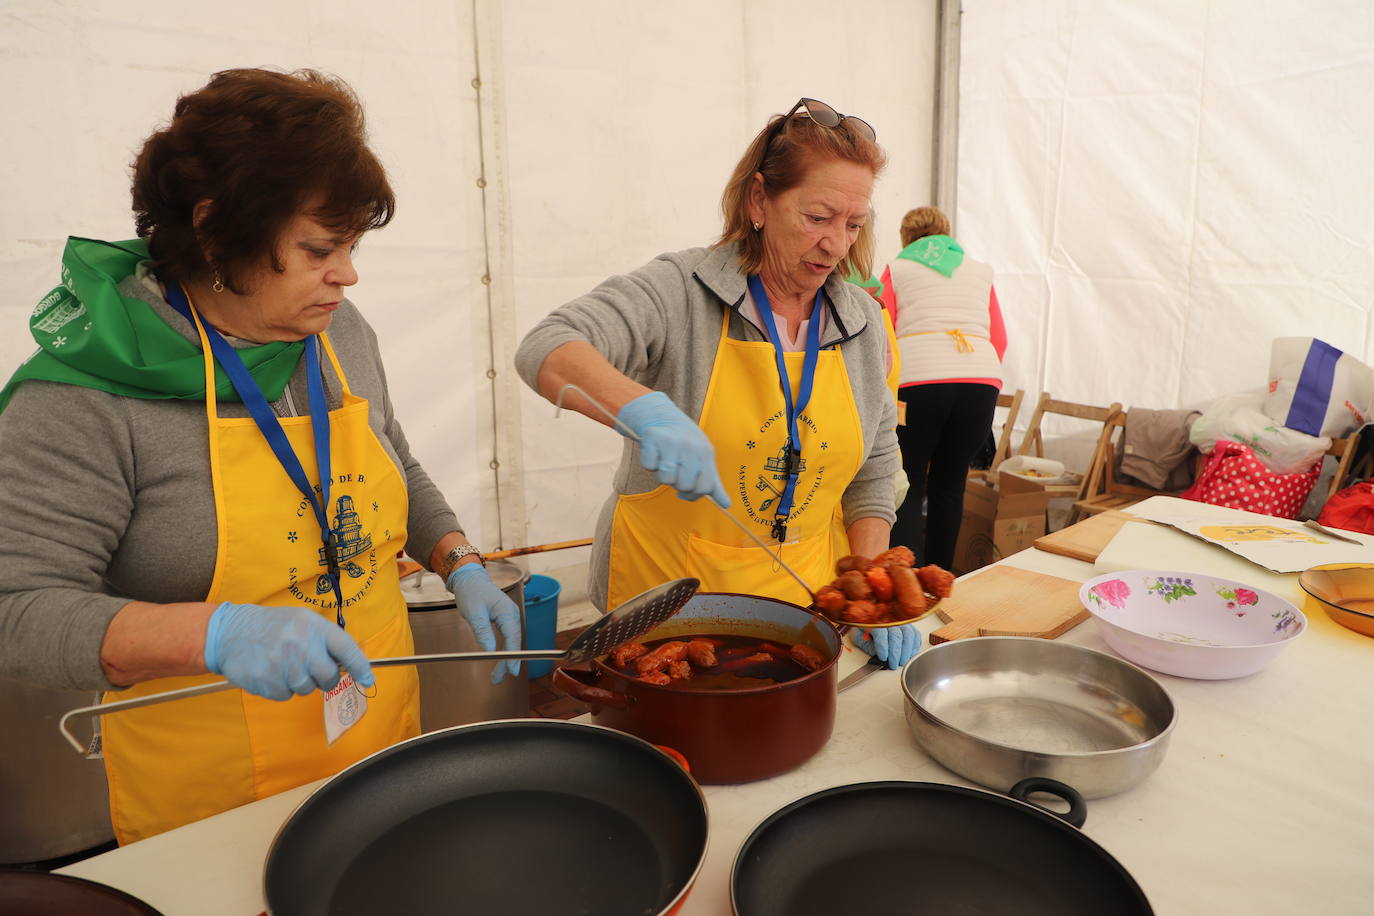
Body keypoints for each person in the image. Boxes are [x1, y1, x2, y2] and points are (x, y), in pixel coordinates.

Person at [0, 68, 521, 844]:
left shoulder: (339, 330)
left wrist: (460, 559)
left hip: (379, 748)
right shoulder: (85, 399)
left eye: (350, 247)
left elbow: (394, 463)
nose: (348, 273)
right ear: (215, 231)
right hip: (214, 809)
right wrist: (211, 636)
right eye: (320, 249)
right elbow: (17, 607)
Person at [515, 97, 919, 670]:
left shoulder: (862, 322)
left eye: (854, 224)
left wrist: (875, 592)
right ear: (759, 200)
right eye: (818, 217)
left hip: (798, 614)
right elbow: (548, 345)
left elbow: (875, 465)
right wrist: (642, 410)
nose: (837, 244)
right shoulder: (682, 290)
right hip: (661, 612)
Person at [881, 205, 1007, 569]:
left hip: (918, 383)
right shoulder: (980, 272)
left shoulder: (898, 269)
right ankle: (941, 577)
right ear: (947, 234)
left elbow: (882, 332)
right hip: (980, 382)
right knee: (950, 485)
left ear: (906, 238)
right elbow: (998, 337)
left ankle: (909, 578)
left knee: (908, 481)